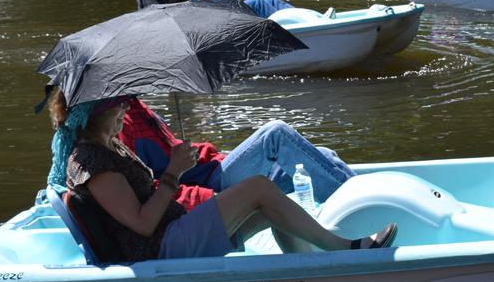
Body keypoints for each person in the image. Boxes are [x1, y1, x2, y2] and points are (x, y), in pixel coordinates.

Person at [46, 89, 397, 262]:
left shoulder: (110, 148)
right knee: (260, 187)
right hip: (162, 245)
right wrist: (172, 173)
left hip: (173, 229)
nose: (126, 107)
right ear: (94, 113)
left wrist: (174, 173)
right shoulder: (92, 160)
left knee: (268, 208)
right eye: (118, 103)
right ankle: (344, 250)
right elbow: (141, 224)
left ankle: (312, 267)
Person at [119, 99, 356, 205]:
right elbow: (147, 187)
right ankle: (360, 203)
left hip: (213, 168)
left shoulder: (138, 107)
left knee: (322, 155)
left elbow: (171, 154)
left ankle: (367, 200)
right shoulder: (123, 123)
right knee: (275, 134)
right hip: (213, 186)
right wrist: (202, 195)